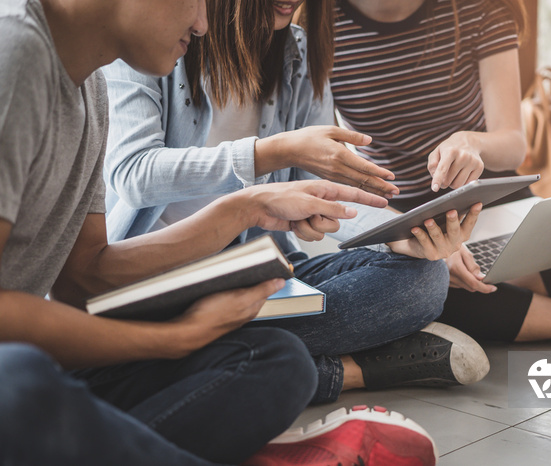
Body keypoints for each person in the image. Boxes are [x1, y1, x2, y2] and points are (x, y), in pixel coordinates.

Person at [0, 0, 438, 464]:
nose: (203, 22)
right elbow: (134, 175)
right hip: (40, 354)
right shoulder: (19, 51)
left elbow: (83, 278)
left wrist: (394, 231)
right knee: (20, 375)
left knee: (281, 363)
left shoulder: (90, 87)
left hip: (85, 336)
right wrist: (174, 339)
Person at [102, 0, 491, 405]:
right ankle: (337, 372)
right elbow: (134, 173)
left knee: (425, 279)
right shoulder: (149, 42)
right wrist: (276, 151)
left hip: (257, 272)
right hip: (160, 281)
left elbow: (321, 180)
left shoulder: (298, 51)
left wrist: (405, 233)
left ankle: (203, 359)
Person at [329, 0, 551, 347]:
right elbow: (323, 161)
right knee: (419, 285)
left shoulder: (478, 9)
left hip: (495, 202)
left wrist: (470, 141)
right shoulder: (317, 24)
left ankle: (496, 284)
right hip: (407, 224)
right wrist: (426, 252)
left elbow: (513, 144)